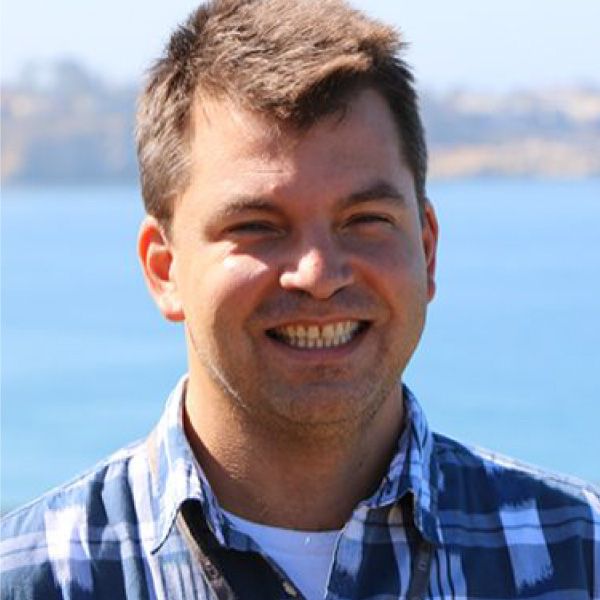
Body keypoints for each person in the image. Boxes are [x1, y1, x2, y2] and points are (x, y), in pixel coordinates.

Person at [1, 0, 598, 598]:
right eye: (257, 226)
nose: (318, 274)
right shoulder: (35, 577)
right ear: (165, 269)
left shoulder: (579, 553)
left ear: (427, 250)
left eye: (365, 220)